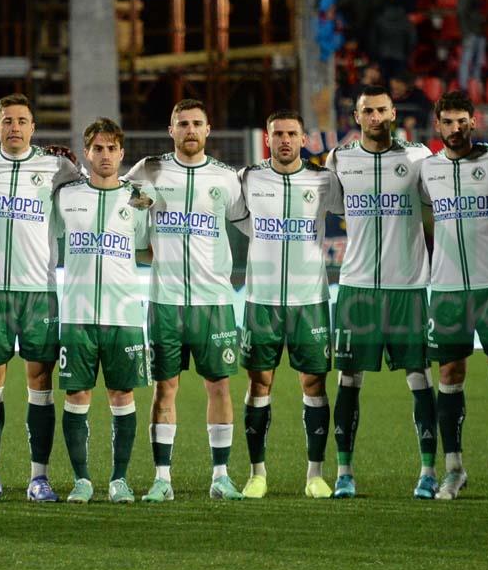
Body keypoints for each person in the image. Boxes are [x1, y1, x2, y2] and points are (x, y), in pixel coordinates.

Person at [0, 93, 83, 503]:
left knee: (41, 381)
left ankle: (38, 477)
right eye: (7, 120)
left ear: (33, 128)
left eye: (21, 121)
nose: (14, 127)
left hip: (39, 290)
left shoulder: (56, 165)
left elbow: (92, 189)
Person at [124, 98, 249, 502]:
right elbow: (119, 210)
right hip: (166, 300)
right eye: (182, 123)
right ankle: (162, 479)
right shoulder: (148, 170)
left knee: (220, 387)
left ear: (208, 129)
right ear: (171, 130)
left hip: (215, 302)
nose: (190, 130)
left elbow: (251, 224)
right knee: (165, 388)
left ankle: (221, 476)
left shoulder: (226, 178)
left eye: (197, 123)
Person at [324, 85, 438, 499]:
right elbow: (334, 206)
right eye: (367, 111)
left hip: (408, 285)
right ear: (357, 117)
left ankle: (428, 472)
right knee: (349, 378)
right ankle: (344, 472)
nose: (375, 117)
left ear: (393, 114)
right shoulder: (339, 159)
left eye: (381, 110)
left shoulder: (418, 157)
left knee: (419, 376)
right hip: (356, 288)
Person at [418, 91, 488, 500]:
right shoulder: (429, 169)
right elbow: (425, 212)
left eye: (462, 120)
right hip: (446, 289)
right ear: (438, 125)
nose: (455, 128)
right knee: (449, 375)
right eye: (448, 121)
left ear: (473, 122)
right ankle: (454, 469)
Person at [237, 111, 344, 499]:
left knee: (314, 383)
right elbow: (236, 217)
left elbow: (354, 210)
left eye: (291, 133)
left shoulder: (323, 180)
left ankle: (315, 474)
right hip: (261, 300)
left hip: (309, 300)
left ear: (303, 139)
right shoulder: (248, 178)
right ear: (267, 138)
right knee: (258, 383)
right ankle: (257, 474)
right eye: (278, 133)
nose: (284, 140)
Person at [53, 118, 151, 503]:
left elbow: (147, 248)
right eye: (98, 148)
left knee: (122, 395)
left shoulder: (138, 198)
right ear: (87, 153)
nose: (105, 155)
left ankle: (119, 480)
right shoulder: (66, 196)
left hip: (123, 315)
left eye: (112, 148)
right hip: (77, 314)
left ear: (122, 153)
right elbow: (39, 232)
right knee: (77, 395)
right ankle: (81, 480)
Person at [457, 0, 488, 92]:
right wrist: (466, 32)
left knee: (478, 61)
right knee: (466, 60)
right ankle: (463, 87)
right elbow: (461, 14)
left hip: (480, 32)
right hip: (471, 33)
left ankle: (474, 87)